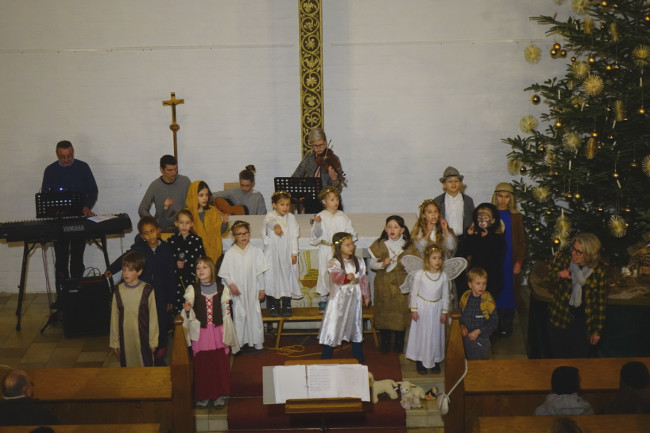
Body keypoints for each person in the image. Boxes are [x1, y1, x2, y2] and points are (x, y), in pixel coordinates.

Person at [106, 216, 175, 365]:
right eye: (146, 233)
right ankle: (145, 352)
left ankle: (160, 355)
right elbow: (126, 257)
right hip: (144, 295)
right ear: (142, 235)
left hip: (161, 295)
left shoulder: (166, 249)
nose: (150, 235)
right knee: (146, 323)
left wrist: (170, 299)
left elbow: (170, 274)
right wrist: (112, 269)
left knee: (161, 324)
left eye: (152, 231)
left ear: (158, 231)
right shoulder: (139, 249)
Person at [41, 140, 98, 285]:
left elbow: (93, 191)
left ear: (73, 153)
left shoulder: (83, 167)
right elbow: (45, 195)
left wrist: (86, 206)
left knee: (77, 258)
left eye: (69, 156)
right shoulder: (50, 170)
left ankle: (77, 292)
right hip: (59, 221)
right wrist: (52, 211)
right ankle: (63, 296)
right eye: (62, 157)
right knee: (61, 259)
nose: (66, 160)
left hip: (79, 219)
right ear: (57, 154)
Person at [183, 257, 236, 408]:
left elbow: (227, 315)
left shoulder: (222, 289)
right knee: (202, 364)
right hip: (201, 333)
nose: (201, 270)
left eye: (204, 267)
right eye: (198, 268)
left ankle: (218, 393)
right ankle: (203, 394)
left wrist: (227, 334)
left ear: (212, 270)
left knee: (218, 363)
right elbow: (188, 313)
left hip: (218, 331)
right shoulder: (192, 290)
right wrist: (187, 311)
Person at [544, 233, 606, 358]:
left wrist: (596, 332)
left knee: (578, 363)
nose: (573, 254)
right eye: (573, 249)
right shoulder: (564, 261)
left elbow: (600, 304)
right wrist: (558, 275)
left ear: (589, 254)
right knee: (558, 361)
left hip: (583, 325)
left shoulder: (598, 272)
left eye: (579, 252)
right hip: (559, 320)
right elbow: (545, 281)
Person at [369, 215, 419, 354]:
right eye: (389, 226)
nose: (392, 229)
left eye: (396, 227)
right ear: (385, 229)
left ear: (402, 230)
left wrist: (406, 265)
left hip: (401, 285)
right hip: (383, 284)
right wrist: (381, 264)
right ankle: (385, 343)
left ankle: (398, 343)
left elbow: (415, 267)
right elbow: (372, 264)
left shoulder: (408, 246)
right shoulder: (380, 244)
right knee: (384, 312)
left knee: (400, 314)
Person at [319, 232, 370, 363]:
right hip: (339, 299)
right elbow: (335, 278)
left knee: (355, 323)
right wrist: (345, 278)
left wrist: (366, 296)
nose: (351, 247)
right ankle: (326, 355)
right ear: (339, 247)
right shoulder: (334, 262)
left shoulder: (359, 261)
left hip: (355, 297)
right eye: (347, 245)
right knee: (334, 323)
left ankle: (358, 354)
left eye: (352, 244)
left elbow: (363, 279)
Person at [218, 220, 269, 350]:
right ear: (234, 236)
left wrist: (262, 288)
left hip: (253, 289)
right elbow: (224, 273)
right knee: (240, 314)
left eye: (245, 233)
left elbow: (259, 272)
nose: (243, 237)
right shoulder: (230, 253)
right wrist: (231, 285)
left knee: (255, 313)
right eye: (239, 234)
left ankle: (257, 340)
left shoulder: (255, 251)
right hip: (238, 291)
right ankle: (240, 341)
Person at [405, 244, 450, 374]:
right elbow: (414, 293)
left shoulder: (443, 277)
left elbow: (445, 295)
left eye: (440, 258)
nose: (438, 261)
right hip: (422, 309)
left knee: (435, 335)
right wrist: (414, 309)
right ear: (427, 260)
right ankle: (420, 360)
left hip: (436, 309)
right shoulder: (420, 275)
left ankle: (435, 360)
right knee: (422, 335)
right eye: (434, 258)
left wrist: (444, 311)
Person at [310, 186, 356, 312]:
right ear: (324, 202)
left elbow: (349, 231)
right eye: (331, 200)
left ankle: (339, 297)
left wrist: (347, 241)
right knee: (325, 272)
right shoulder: (320, 216)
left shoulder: (343, 216)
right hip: (326, 249)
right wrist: (318, 224)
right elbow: (317, 235)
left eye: (337, 199)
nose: (335, 202)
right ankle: (324, 300)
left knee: (339, 271)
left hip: (339, 251)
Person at [109, 251, 159, 367]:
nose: (126, 273)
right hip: (125, 339)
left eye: (130, 270)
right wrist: (115, 342)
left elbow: (153, 317)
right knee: (128, 368)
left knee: (145, 367)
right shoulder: (118, 291)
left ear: (139, 271)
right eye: (124, 269)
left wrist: (153, 341)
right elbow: (114, 318)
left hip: (144, 339)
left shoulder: (147, 290)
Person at [491, 182, 526, 337]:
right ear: (495, 196)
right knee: (494, 290)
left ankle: (506, 324)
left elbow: (521, 241)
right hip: (495, 260)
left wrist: (518, 262)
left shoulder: (516, 217)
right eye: (500, 196)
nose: (503, 200)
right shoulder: (490, 214)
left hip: (509, 261)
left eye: (507, 197)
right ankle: (493, 323)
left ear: (511, 199)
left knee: (509, 291)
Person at [262, 191, 302, 317]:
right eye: (282, 204)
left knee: (287, 278)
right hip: (273, 255)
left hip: (286, 254)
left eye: (287, 205)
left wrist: (294, 252)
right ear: (274, 204)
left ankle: (286, 305)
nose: (285, 207)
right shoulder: (270, 215)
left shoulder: (291, 218)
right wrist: (276, 226)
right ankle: (274, 305)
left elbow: (294, 236)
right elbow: (271, 222)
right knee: (273, 279)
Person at [458, 203, 506, 302]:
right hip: (475, 275)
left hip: (491, 277)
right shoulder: (474, 235)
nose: (482, 220)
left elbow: (498, 256)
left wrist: (488, 238)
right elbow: (464, 252)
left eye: (485, 218)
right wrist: (467, 236)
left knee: (488, 303)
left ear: (492, 220)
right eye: (479, 218)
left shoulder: (497, 238)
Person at [167, 209, 206, 316]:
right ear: (176, 223)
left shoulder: (197, 240)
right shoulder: (171, 241)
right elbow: (167, 262)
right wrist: (176, 264)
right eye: (181, 222)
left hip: (193, 280)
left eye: (187, 223)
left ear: (192, 224)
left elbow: (202, 261)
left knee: (194, 307)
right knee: (179, 309)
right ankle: (178, 331)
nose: (184, 226)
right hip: (177, 281)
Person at [138, 154, 191, 230]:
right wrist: (154, 224)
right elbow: (142, 209)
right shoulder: (155, 186)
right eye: (169, 170)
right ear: (161, 170)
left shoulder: (185, 181)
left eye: (175, 169)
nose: (174, 173)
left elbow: (195, 202)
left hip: (182, 227)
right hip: (163, 227)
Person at [186, 180, 229, 265]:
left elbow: (221, 231)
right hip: (195, 257)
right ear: (193, 196)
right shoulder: (187, 214)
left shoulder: (213, 211)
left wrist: (225, 223)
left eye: (206, 195)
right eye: (201, 195)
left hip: (214, 255)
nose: (205, 198)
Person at [459, 267, 498, 360]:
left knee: (479, 364)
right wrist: (461, 326)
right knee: (467, 364)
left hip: (481, 339)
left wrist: (479, 331)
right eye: (478, 283)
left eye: (484, 283)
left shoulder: (488, 301)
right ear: (470, 284)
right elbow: (460, 314)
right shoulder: (465, 298)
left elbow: (494, 322)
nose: (481, 287)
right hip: (466, 338)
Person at [434, 166, 474, 239]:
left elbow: (472, 219)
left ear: (460, 183)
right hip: (444, 238)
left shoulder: (468, 200)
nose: (453, 184)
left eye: (456, 181)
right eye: (450, 181)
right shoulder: (438, 201)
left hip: (464, 238)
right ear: (444, 185)